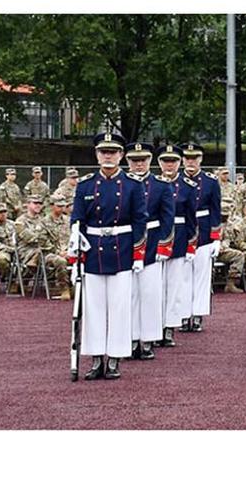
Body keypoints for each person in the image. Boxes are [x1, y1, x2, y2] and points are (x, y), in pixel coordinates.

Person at [69, 132, 148, 380]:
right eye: (104, 152)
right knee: (93, 308)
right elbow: (77, 221)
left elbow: (139, 221)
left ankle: (114, 357)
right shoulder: (85, 185)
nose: (108, 156)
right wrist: (75, 256)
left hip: (122, 249)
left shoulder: (133, 185)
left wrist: (138, 254)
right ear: (96, 154)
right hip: (93, 251)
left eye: (113, 152)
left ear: (121, 155)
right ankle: (95, 358)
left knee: (119, 307)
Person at [125, 142, 175, 360]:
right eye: (134, 160)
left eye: (143, 160)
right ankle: (130, 338)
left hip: (153, 244)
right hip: (127, 244)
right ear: (127, 161)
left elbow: (167, 218)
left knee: (150, 295)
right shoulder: (123, 184)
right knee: (128, 296)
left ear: (150, 161)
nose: (138, 164)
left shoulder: (161, 186)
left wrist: (164, 245)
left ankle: (147, 340)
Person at [157, 144, 197, 348]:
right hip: (156, 239)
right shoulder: (152, 184)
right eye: (165, 161)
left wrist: (191, 245)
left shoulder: (188, 187)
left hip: (179, 238)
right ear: (159, 163)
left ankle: (169, 327)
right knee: (155, 287)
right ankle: (154, 327)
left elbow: (192, 219)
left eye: (173, 161)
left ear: (180, 163)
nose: (169, 164)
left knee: (174, 286)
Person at [182, 141, 222, 333]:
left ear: (200, 159)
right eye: (187, 158)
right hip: (182, 232)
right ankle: (182, 314)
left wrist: (216, 237)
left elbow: (216, 210)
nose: (191, 162)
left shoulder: (210, 181)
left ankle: (197, 314)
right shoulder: (175, 180)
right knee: (182, 277)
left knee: (201, 276)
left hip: (204, 230)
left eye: (194, 158)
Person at [14, 195, 68, 297]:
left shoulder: (44, 219)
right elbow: (29, 238)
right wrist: (44, 238)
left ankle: (57, 284)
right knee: (50, 256)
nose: (38, 205)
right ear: (28, 204)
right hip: (28, 250)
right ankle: (22, 280)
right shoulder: (20, 221)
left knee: (54, 256)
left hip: (44, 248)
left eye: (40, 203)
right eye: (35, 203)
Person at [215, 196, 245, 293]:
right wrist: (215, 247)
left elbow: (227, 238)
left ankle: (231, 283)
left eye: (226, 216)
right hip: (210, 249)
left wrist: (223, 246)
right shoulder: (211, 222)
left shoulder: (228, 224)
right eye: (223, 215)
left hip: (222, 250)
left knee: (239, 255)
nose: (224, 218)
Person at [43, 194, 72, 298]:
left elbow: (74, 237)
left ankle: (78, 288)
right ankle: (64, 288)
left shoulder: (69, 221)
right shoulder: (43, 222)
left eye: (63, 206)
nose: (62, 208)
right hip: (50, 253)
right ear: (51, 206)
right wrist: (58, 252)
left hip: (69, 251)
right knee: (60, 261)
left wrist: (70, 251)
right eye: (58, 206)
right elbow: (43, 242)